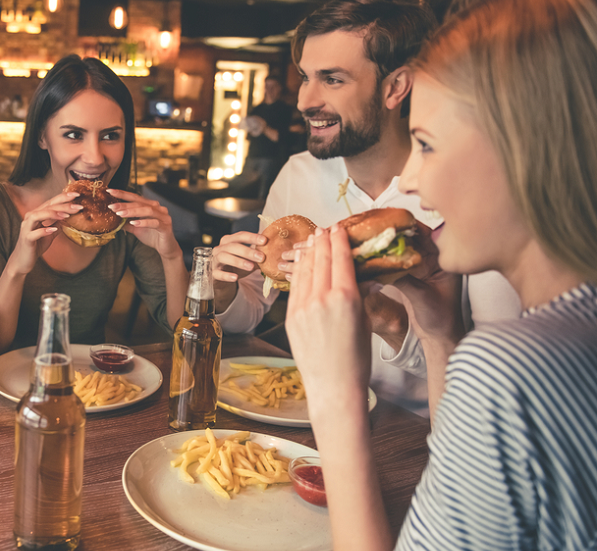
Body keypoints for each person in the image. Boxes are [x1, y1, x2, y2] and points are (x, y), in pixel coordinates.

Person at [287, 0, 597, 547]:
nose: (407, 180)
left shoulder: (509, 368)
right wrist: (438, 331)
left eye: (426, 145)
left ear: (523, 152)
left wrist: (334, 394)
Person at [209, 0, 520, 415]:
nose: (304, 100)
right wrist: (225, 286)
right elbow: (248, 316)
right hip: (304, 414)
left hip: (421, 434)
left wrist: (389, 320)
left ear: (395, 87)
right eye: (305, 77)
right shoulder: (298, 174)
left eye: (332, 79)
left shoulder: (471, 191)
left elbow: (502, 382)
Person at [0, 55, 188, 355]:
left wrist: (172, 256)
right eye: (73, 135)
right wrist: (17, 266)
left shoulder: (124, 213)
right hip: (10, 390)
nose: (94, 158)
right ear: (43, 136)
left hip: (97, 384)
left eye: (110, 136)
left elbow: (181, 329)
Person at [238, 76, 292, 198]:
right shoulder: (257, 109)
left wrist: (263, 126)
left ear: (279, 88)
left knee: (263, 196)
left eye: (273, 86)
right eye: (267, 86)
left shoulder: (284, 110)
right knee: (244, 192)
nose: (269, 90)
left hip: (270, 158)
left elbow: (279, 137)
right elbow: (249, 135)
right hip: (252, 155)